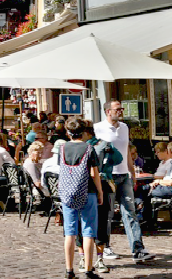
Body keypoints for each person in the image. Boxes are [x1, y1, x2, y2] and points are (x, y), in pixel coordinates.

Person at [94, 100, 153, 264]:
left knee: (130, 212)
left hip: (124, 176)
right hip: (107, 177)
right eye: (117, 109)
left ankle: (138, 249)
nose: (121, 111)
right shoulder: (97, 128)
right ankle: (105, 247)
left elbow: (126, 150)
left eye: (122, 108)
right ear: (108, 111)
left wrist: (131, 172)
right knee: (107, 214)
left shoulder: (125, 127)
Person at [58, 118, 104, 279]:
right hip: (87, 191)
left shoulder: (62, 148)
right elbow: (94, 173)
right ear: (84, 132)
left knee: (69, 232)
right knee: (88, 231)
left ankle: (69, 270)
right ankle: (88, 270)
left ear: (68, 132)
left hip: (67, 192)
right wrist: (100, 192)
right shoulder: (89, 148)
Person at [89, 122, 124, 275]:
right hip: (102, 185)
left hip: (92, 186)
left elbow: (118, 159)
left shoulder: (87, 146)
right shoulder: (99, 146)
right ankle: (99, 256)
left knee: (91, 223)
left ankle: (87, 258)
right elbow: (118, 159)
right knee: (103, 222)